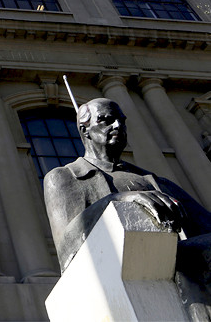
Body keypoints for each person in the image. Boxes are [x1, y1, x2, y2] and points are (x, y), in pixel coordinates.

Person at [44, 98, 211, 272]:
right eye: (107, 120)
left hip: (175, 269)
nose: (118, 126)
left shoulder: (154, 181)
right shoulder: (64, 177)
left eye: (121, 121)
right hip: (114, 271)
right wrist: (119, 200)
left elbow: (206, 226)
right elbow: (67, 247)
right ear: (85, 131)